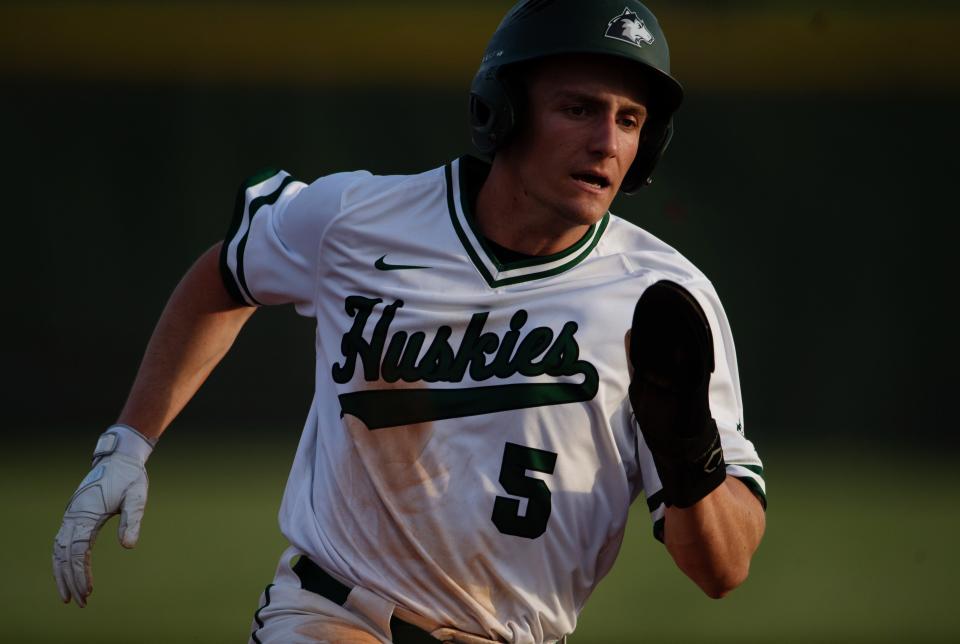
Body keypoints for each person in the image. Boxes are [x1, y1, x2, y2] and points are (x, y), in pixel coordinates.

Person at [53, 1, 766, 642]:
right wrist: (128, 443)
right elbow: (224, 276)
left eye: (630, 120)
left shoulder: (663, 298)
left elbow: (723, 569)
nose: (607, 142)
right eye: (578, 109)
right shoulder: (355, 220)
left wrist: (690, 458)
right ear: (503, 109)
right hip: (335, 613)